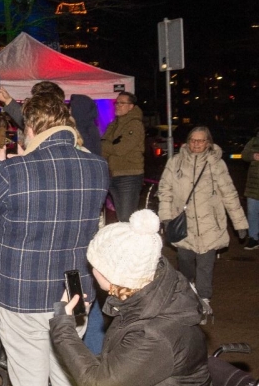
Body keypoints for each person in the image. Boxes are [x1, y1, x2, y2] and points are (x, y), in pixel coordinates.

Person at [0, 93, 110, 386]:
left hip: (23, 291)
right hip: (73, 293)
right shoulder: (97, 166)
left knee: (30, 384)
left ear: (30, 128)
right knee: (68, 378)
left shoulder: (14, 170)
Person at [26, 210, 219, 386]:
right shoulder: (150, 295)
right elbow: (121, 362)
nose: (90, 269)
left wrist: (63, 325)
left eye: (94, 264)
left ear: (112, 273)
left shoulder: (156, 332)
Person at [157, 125, 247, 323]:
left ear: (208, 143)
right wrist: (166, 217)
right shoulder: (175, 162)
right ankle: (188, 290)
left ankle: (204, 301)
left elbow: (229, 194)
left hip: (210, 226)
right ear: (188, 142)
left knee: (205, 266)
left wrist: (240, 223)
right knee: (185, 262)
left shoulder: (217, 164)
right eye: (193, 140)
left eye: (201, 140)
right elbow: (165, 191)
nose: (196, 144)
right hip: (184, 226)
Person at [101, 91, 145, 223]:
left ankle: (132, 237)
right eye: (117, 103)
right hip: (113, 174)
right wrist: (109, 145)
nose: (118, 105)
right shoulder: (114, 124)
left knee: (127, 217)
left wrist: (105, 145)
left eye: (122, 103)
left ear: (131, 106)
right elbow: (104, 147)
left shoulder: (135, 124)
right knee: (120, 217)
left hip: (129, 175)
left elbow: (120, 149)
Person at [241, 127, 259, 250]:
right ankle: (253, 238)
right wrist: (253, 156)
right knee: (252, 212)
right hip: (253, 185)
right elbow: (244, 155)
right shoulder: (254, 140)